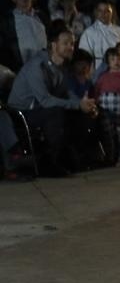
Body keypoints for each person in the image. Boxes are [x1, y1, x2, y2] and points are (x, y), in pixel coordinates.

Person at [7, 20, 99, 175]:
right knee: (56, 112)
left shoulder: (62, 67)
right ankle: (50, 162)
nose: (71, 47)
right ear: (53, 45)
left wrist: (83, 104)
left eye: (72, 43)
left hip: (41, 108)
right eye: (66, 43)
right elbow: (45, 100)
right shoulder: (36, 66)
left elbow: (66, 93)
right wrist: (76, 105)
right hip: (22, 112)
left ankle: (74, 155)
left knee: (83, 113)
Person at [93, 41, 120, 165]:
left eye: (119, 58)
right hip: (104, 111)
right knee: (108, 134)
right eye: (113, 59)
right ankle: (110, 157)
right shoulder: (102, 77)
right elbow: (97, 92)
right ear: (108, 61)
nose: (116, 61)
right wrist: (96, 107)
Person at [79, 0, 120, 71]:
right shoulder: (88, 33)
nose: (104, 14)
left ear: (112, 12)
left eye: (107, 11)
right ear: (96, 12)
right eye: (100, 11)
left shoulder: (119, 31)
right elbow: (84, 57)